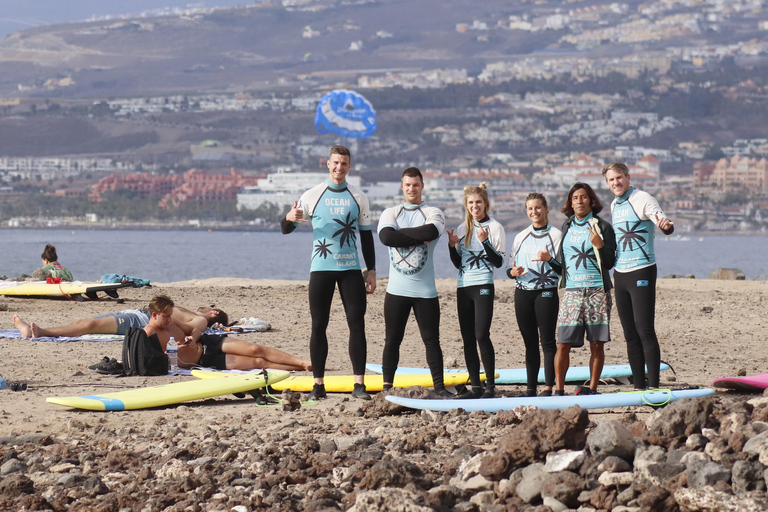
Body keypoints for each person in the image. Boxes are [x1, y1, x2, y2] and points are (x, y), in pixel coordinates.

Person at [280, 145, 376, 400]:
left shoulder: (358, 197)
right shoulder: (312, 195)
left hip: (350, 270)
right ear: (327, 164)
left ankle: (359, 385)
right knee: (318, 326)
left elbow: (366, 238)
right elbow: (286, 228)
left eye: (344, 163)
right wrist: (289, 217)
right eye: (335, 163)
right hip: (321, 269)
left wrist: (373, 271)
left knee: (357, 326)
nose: (339, 167)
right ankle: (318, 386)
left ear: (349, 166)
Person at [378, 167, 453, 398]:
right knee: (392, 340)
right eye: (407, 185)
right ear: (402, 186)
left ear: (422, 186)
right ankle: (387, 387)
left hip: (425, 291)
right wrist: (418, 235)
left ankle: (439, 388)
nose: (412, 189)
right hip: (396, 291)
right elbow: (385, 237)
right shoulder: (391, 212)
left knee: (432, 341)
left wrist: (403, 235)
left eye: (416, 185)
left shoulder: (433, 212)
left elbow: (431, 229)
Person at [603, 162, 674, 390]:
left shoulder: (643, 199)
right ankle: (638, 386)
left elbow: (663, 223)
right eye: (611, 180)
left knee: (644, 329)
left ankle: (653, 386)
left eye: (619, 178)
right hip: (620, 273)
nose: (616, 183)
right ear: (607, 183)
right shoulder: (614, 204)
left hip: (642, 269)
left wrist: (665, 226)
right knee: (629, 333)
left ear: (628, 177)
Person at [548, 183, 616, 395]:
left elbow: (609, 263)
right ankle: (559, 390)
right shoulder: (566, 227)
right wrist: (549, 261)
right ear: (570, 203)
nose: (579, 201)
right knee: (562, 343)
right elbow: (563, 264)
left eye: (584, 197)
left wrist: (600, 245)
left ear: (591, 201)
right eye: (575, 198)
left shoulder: (603, 227)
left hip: (597, 291)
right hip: (572, 292)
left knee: (596, 343)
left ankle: (593, 388)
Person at [446, 183, 506, 398]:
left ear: (485, 203)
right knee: (468, 337)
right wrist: (451, 247)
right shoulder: (463, 228)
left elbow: (498, 262)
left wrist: (485, 242)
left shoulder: (495, 227)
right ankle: (476, 388)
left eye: (478, 202)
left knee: (481, 334)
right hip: (464, 287)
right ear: (466, 205)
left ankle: (489, 386)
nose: (474, 206)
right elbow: (457, 263)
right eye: (471, 203)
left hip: (483, 285)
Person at [507, 193, 562, 397]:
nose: (534, 212)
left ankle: (549, 388)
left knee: (547, 342)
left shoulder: (556, 235)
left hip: (546, 291)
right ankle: (531, 388)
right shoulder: (520, 236)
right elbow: (509, 268)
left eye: (538, 208)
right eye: (530, 208)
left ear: (546, 208)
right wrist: (512, 273)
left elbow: (563, 270)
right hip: (523, 293)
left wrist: (550, 259)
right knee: (529, 342)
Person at [12, 304, 228, 339]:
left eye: (211, 306)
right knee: (83, 322)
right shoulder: (193, 313)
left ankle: (40, 332)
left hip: (140, 319)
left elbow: (194, 331)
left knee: (89, 326)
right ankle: (40, 330)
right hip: (137, 314)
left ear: (214, 312)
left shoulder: (200, 318)